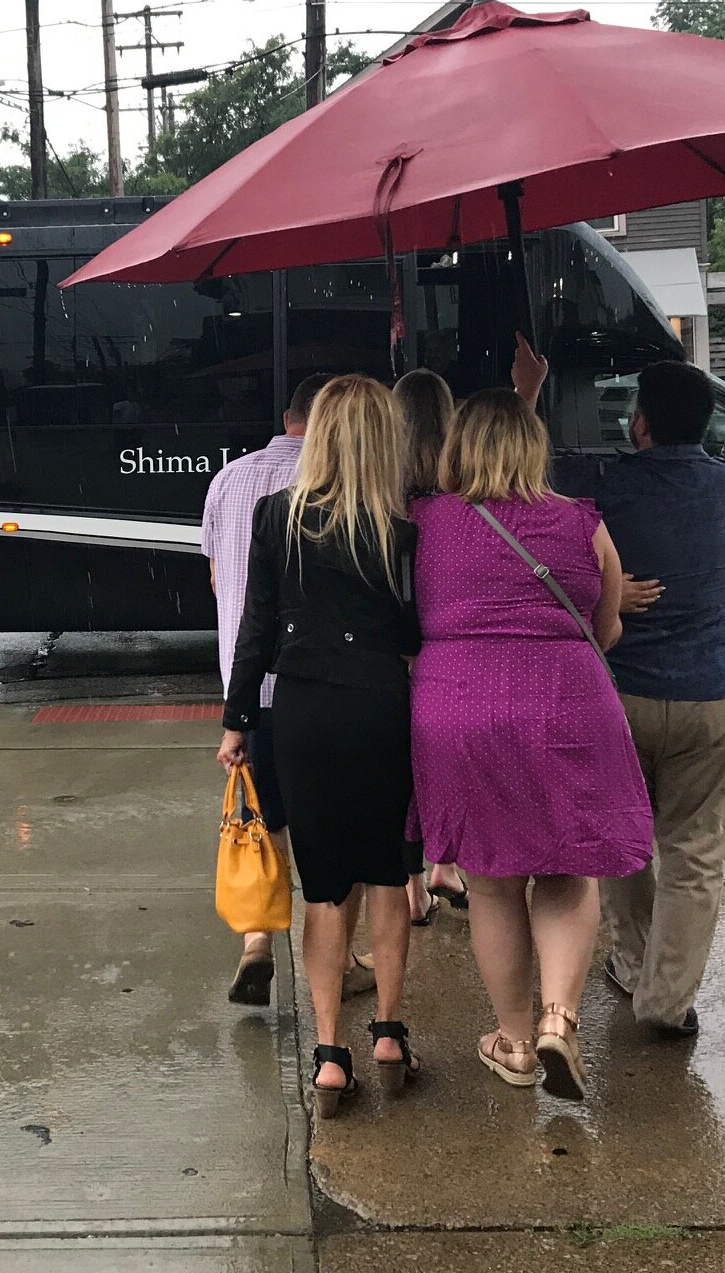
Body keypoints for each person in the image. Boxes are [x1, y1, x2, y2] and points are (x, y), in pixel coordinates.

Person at [410, 388, 653, 1100]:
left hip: (456, 707)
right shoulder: (582, 523)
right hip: (566, 705)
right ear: (533, 449)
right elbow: (606, 630)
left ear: (459, 449)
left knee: (489, 881)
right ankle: (559, 1017)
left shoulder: (425, 522)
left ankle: (513, 1041)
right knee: (568, 870)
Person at [218, 375, 421, 1122]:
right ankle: (391, 1036)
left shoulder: (276, 515)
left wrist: (238, 721)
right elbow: (411, 633)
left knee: (325, 885)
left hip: (301, 712)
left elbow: (256, 627)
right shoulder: (400, 528)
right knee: (389, 875)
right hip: (381, 709)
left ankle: (330, 1056)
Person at [585, 361, 725, 1039]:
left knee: (624, 842)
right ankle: (666, 999)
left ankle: (630, 964)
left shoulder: (609, 491)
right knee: (695, 851)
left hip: (622, 692)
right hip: (710, 693)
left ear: (641, 423)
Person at [392, 334, 552, 915]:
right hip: (450, 642)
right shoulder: (453, 490)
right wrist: (525, 397)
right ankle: (446, 860)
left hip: (400, 642)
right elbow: (505, 483)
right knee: (446, 759)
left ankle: (411, 886)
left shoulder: (388, 492)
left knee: (406, 763)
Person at [202, 373, 332, 1007]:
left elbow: (217, 580)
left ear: (287, 418)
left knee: (259, 819)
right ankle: (339, 961)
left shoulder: (228, 480)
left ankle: (256, 941)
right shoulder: (338, 483)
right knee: (324, 828)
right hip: (318, 684)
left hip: (246, 686)